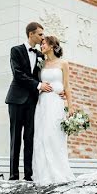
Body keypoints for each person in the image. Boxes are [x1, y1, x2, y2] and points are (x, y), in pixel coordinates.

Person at [5, 22, 50, 181]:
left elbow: (44, 76)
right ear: (31, 34)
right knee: (15, 137)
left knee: (29, 137)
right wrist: (38, 85)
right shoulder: (15, 50)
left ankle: (28, 175)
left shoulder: (40, 55)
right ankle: (13, 175)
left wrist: (57, 91)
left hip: (32, 100)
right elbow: (18, 74)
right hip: (16, 99)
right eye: (40, 34)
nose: (42, 37)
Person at [32, 35, 76, 184]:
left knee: (55, 136)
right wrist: (40, 88)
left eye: (43, 44)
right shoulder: (41, 63)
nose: (41, 46)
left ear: (51, 45)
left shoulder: (63, 63)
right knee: (42, 137)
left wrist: (70, 106)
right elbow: (36, 83)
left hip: (57, 103)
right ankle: (44, 175)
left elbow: (67, 85)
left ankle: (59, 173)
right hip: (43, 103)